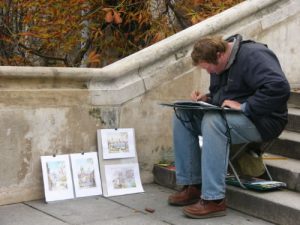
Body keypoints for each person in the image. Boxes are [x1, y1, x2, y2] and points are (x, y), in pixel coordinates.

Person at [168, 34, 290, 219]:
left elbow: (279, 88)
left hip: (264, 121)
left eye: (210, 69)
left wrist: (246, 107)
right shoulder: (221, 63)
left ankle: (214, 199)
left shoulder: (254, 55)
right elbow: (226, 95)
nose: (209, 73)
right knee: (182, 113)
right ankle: (193, 184)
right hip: (235, 117)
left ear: (220, 55)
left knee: (214, 121)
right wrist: (208, 98)